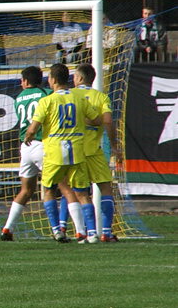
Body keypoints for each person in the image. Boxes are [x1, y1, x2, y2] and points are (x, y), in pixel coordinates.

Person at [24, 63, 102, 243]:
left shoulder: (47, 101)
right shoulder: (79, 98)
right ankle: (92, 233)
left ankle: (57, 230)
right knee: (82, 192)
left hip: (54, 152)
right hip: (76, 149)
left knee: (49, 189)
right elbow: (97, 120)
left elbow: (33, 128)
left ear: (52, 79)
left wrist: (28, 137)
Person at [0, 66, 51, 240]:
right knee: (63, 186)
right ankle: (61, 230)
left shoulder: (19, 98)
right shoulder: (47, 93)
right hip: (43, 144)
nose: (21, 83)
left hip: (26, 147)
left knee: (26, 190)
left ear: (26, 81)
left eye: (22, 80)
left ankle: (7, 228)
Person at [74, 63, 123, 242]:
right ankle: (106, 232)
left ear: (79, 78)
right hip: (95, 151)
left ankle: (89, 232)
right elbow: (108, 121)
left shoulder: (71, 95)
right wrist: (114, 146)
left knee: (79, 193)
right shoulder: (101, 97)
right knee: (105, 188)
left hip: (75, 151)